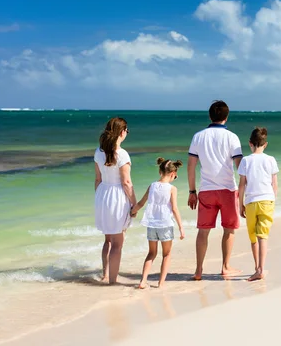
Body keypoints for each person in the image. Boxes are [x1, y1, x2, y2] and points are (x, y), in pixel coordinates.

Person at [187, 100, 243, 280]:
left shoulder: (198, 136)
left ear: (210, 116)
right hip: (228, 189)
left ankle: (198, 270)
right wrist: (245, 193)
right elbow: (239, 166)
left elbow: (191, 166)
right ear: (226, 117)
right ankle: (225, 267)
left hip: (206, 190)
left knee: (203, 231)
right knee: (229, 230)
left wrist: (192, 191)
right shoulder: (232, 137)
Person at [94, 117, 136, 284]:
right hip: (117, 196)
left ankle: (105, 274)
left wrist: (99, 199)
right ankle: (112, 281)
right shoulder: (122, 154)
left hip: (102, 194)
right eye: (127, 130)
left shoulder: (98, 151)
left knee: (108, 240)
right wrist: (134, 203)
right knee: (118, 243)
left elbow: (97, 179)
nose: (127, 133)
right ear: (122, 131)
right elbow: (126, 182)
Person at [132, 158, 185, 289]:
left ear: (160, 171)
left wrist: (132, 211)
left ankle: (143, 281)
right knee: (166, 254)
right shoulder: (172, 188)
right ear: (173, 174)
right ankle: (161, 284)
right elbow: (174, 208)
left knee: (151, 253)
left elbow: (141, 203)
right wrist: (181, 228)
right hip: (165, 224)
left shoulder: (152, 186)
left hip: (151, 224)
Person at [238, 127, 279, 281]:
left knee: (253, 237)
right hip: (267, 201)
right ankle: (261, 269)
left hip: (250, 202)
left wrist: (240, 204)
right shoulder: (271, 160)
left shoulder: (245, 160)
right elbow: (274, 185)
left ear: (250, 143)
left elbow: (241, 185)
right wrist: (272, 200)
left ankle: (257, 268)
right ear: (265, 144)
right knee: (263, 236)